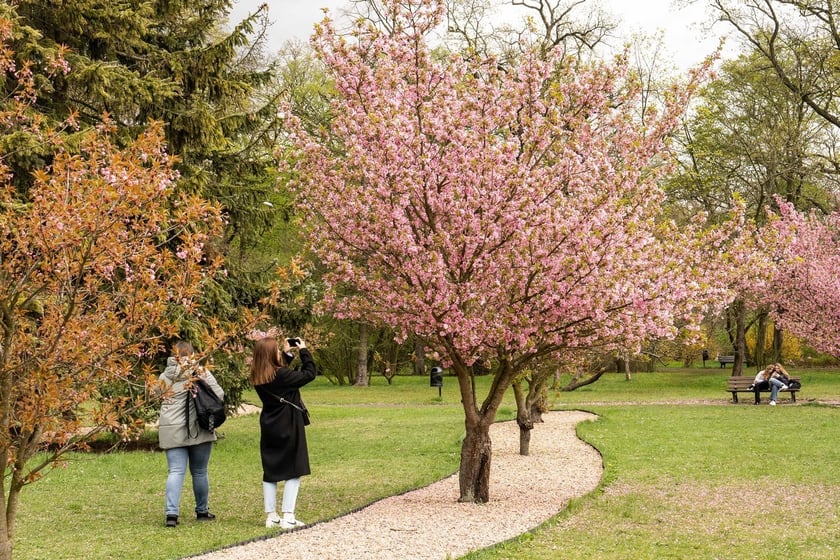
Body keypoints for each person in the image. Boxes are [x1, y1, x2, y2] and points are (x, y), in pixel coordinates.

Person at [249, 336, 316, 529]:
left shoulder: (258, 375)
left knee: (270, 470)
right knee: (294, 468)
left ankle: (271, 515)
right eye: (277, 350)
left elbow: (279, 373)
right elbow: (309, 374)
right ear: (271, 354)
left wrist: (287, 354)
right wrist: (303, 350)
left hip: (269, 424)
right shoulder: (281, 376)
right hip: (288, 423)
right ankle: (288, 515)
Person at [158, 340, 225, 527]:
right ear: (192, 354)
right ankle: (202, 510)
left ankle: (172, 514)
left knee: (176, 471)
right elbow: (219, 394)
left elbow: (154, 395)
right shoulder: (201, 372)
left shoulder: (166, 376)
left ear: (174, 355)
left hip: (171, 428)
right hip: (199, 427)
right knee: (200, 472)